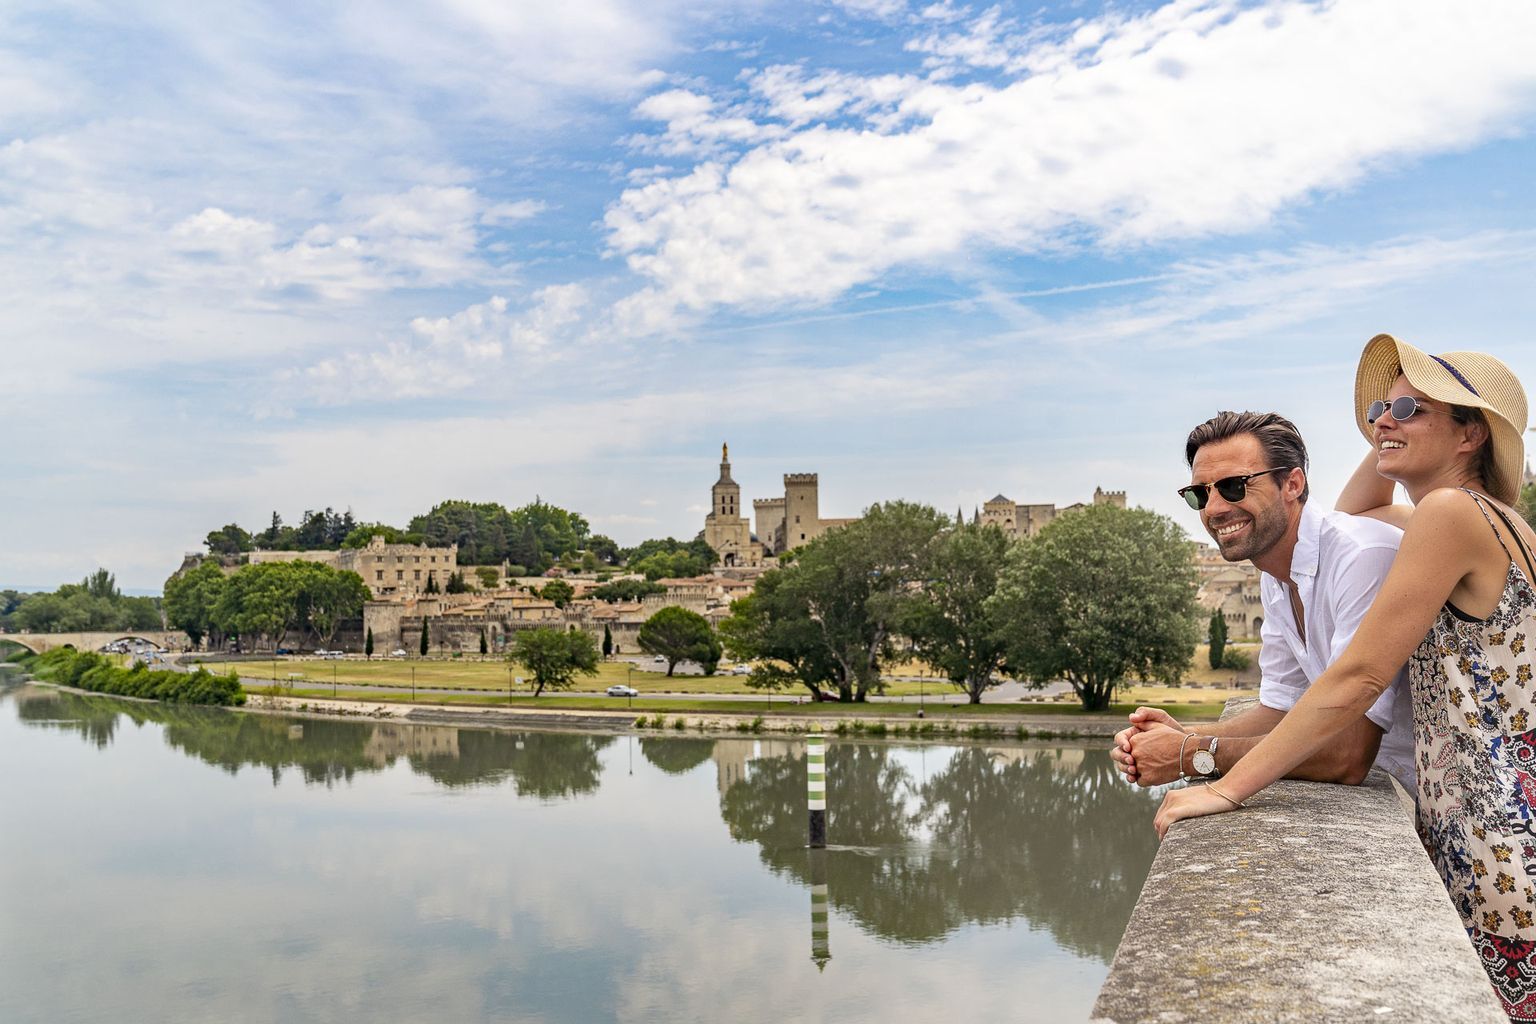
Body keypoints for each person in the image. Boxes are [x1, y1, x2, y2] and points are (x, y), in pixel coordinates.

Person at [1154, 334, 1535, 1022]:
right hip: (1499, 813)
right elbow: (1345, 518)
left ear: (1469, 434)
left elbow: (1358, 676)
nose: (1382, 423)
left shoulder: (1449, 515)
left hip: (1497, 832)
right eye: (1380, 412)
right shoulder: (1478, 518)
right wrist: (1400, 420)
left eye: (1409, 411)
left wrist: (1228, 786)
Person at [1110, 411, 1414, 793]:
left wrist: (1192, 754)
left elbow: (1347, 755)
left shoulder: (1359, 557)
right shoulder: (1275, 572)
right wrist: (1178, 735)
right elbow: (1280, 712)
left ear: (1292, 483)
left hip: (1451, 817)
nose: (1215, 508)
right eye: (1201, 494)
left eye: (1234, 486)